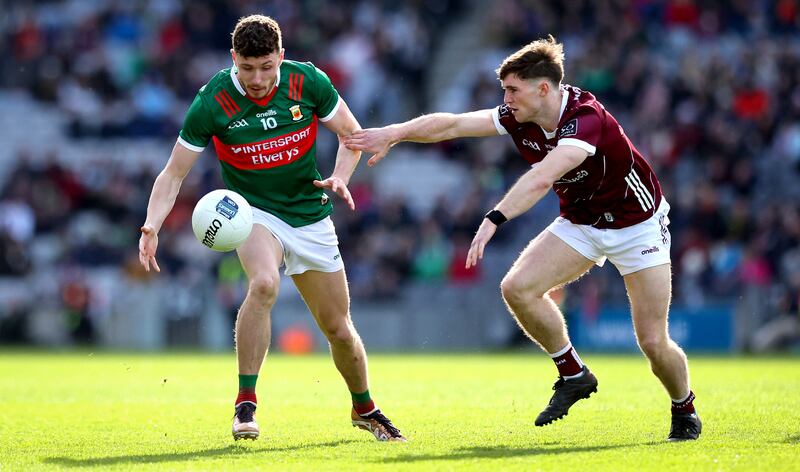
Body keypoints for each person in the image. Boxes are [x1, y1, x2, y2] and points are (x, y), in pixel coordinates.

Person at [344, 35, 701, 441]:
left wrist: (495, 217)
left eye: (512, 90)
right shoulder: (518, 114)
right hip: (583, 222)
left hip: (637, 226)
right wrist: (394, 132)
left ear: (543, 88)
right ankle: (573, 373)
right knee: (517, 288)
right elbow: (454, 124)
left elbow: (543, 176)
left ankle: (684, 408)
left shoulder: (586, 119)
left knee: (653, 342)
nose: (506, 98)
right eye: (504, 90)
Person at [138, 15, 405, 442]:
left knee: (339, 328)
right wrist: (151, 224)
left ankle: (365, 408)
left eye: (266, 67)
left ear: (281, 56)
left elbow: (352, 135)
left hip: (310, 215)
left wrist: (340, 176)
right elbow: (173, 174)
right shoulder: (213, 101)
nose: (258, 78)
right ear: (233, 60)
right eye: (247, 68)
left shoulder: (308, 82)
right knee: (264, 284)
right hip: (253, 212)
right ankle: (245, 404)